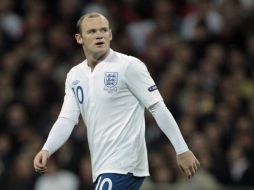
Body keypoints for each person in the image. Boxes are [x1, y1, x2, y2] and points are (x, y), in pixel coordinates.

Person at [33, 12, 200, 190]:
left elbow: (157, 107)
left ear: (110, 34)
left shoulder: (129, 66)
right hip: (102, 166)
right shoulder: (75, 75)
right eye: (91, 31)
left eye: (103, 30)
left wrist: (182, 149)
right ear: (79, 38)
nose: (99, 35)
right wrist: (47, 149)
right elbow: (66, 119)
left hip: (124, 164)